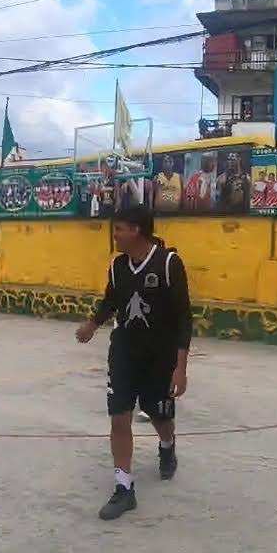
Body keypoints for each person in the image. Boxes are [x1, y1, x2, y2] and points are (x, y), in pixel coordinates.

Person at [75, 205, 192, 520]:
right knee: (119, 417)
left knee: (158, 414)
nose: (114, 235)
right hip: (124, 352)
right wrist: (92, 324)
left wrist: (180, 367)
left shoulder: (169, 264)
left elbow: (184, 317)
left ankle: (167, 445)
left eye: (119, 229)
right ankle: (124, 488)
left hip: (160, 357)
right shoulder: (117, 267)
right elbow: (111, 301)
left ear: (137, 230)